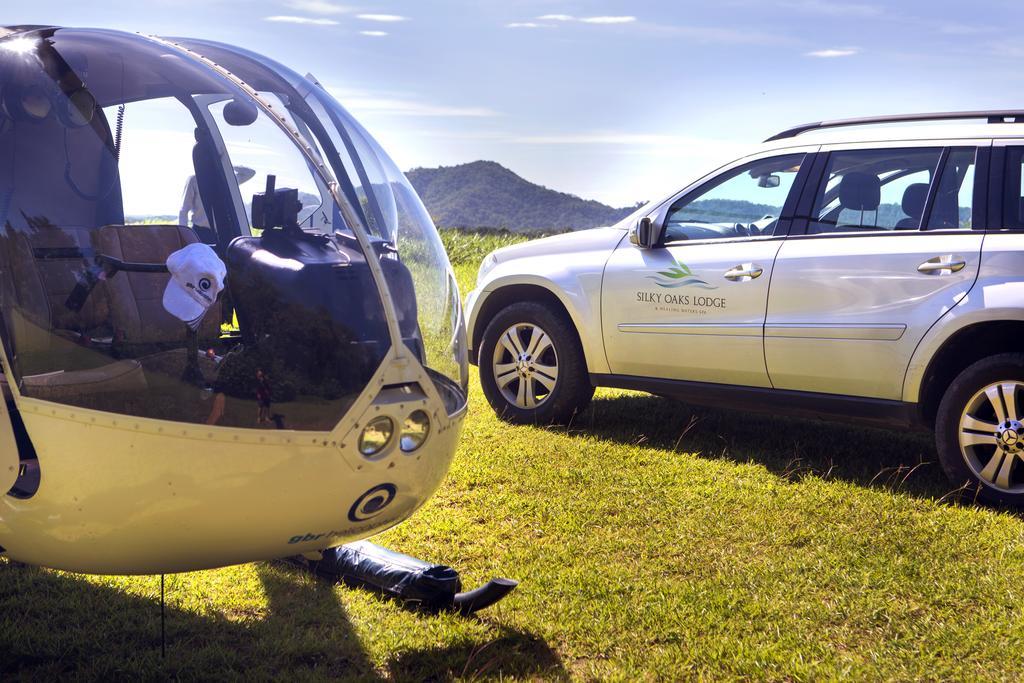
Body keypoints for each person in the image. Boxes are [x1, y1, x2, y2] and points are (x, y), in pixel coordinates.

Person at [179, 166, 256, 241]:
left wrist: (227, 165)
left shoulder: (228, 179)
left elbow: (251, 173)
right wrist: (184, 237)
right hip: (200, 233)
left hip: (224, 233)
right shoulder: (194, 179)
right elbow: (184, 210)